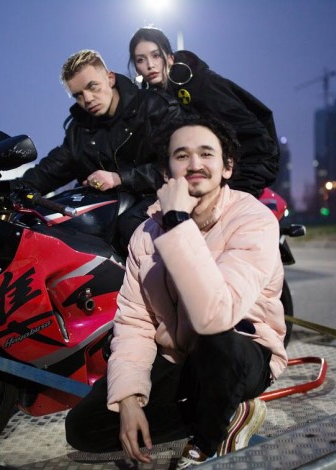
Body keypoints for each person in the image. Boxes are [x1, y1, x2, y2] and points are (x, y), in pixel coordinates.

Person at [65, 115, 287, 468]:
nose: (195, 164)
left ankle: (208, 436)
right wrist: (129, 400)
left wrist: (177, 222)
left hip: (239, 349)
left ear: (227, 167)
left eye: (206, 153)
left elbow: (216, 314)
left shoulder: (253, 219)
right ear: (166, 172)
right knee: (84, 428)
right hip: (179, 353)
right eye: (182, 155)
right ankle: (227, 413)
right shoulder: (145, 235)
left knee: (215, 341)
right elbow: (135, 321)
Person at [16, 49, 182, 252]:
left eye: (92, 87)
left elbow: (178, 166)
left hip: (163, 197)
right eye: (78, 95)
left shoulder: (155, 107)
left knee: (131, 226)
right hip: (114, 210)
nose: (87, 99)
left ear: (110, 78)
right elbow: (52, 168)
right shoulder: (79, 131)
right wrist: (13, 188)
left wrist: (119, 178)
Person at [128, 26, 279, 198]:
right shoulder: (153, 100)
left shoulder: (202, 84)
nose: (150, 65)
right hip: (199, 181)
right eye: (141, 60)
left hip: (242, 175)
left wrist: (232, 189)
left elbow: (257, 141)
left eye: (156, 56)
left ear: (170, 58)